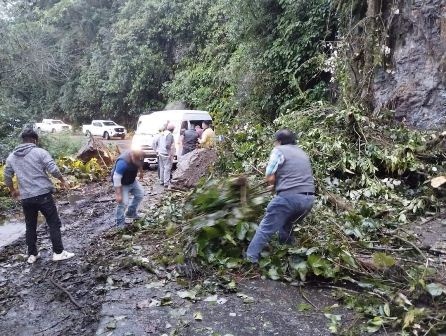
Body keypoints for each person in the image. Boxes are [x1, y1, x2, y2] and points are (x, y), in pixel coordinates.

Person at [3, 129, 75, 263]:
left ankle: (32, 255)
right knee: (53, 222)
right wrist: (63, 181)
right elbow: (53, 169)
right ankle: (58, 252)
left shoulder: (12, 156)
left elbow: (7, 175)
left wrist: (12, 190)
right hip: (43, 195)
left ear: (23, 140)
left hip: (26, 197)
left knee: (30, 226)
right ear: (34, 140)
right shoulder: (40, 152)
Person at [246, 129, 315, 263]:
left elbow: (270, 174)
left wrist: (272, 183)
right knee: (287, 224)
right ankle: (288, 256)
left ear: (279, 141)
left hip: (289, 198)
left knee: (265, 228)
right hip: (308, 200)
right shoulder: (302, 152)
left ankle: (250, 259)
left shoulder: (279, 150)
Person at [112, 149, 145, 227]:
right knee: (123, 202)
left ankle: (131, 213)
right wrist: (118, 194)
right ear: (132, 156)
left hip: (132, 180)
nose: (138, 161)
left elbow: (140, 164)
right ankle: (119, 223)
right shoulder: (123, 162)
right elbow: (116, 178)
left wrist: (141, 172)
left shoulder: (140, 155)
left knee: (140, 194)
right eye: (136, 160)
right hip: (121, 182)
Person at [158, 122, 175, 187]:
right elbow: (168, 145)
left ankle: (161, 181)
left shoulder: (163, 133)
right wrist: (169, 154)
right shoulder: (169, 135)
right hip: (166, 154)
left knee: (162, 168)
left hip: (161, 153)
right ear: (173, 129)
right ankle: (166, 183)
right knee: (167, 168)